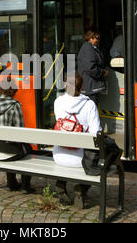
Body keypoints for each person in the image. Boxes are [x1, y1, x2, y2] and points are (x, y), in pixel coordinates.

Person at [53, 72, 102, 208]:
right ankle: (81, 190)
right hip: (81, 160)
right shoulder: (90, 105)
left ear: (65, 85)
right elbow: (96, 133)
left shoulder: (58, 102)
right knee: (96, 162)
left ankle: (61, 186)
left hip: (59, 156)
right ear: (82, 86)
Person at [77, 30, 109, 106]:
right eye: (97, 38)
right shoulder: (88, 48)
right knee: (91, 110)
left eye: (99, 38)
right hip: (90, 87)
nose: (98, 40)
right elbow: (90, 68)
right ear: (90, 38)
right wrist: (103, 72)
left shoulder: (91, 48)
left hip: (90, 86)